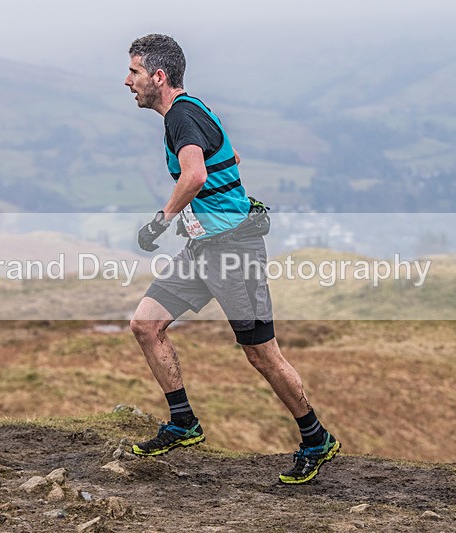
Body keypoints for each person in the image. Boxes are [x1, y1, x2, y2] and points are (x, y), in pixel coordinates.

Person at [124, 33, 340, 484]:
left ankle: (316, 439)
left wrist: (161, 220)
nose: (128, 81)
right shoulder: (189, 112)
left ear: (158, 77)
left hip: (235, 251)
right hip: (203, 248)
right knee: (146, 325)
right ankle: (184, 422)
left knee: (261, 354)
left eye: (135, 72)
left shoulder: (182, 116)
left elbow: (196, 174)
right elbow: (231, 155)